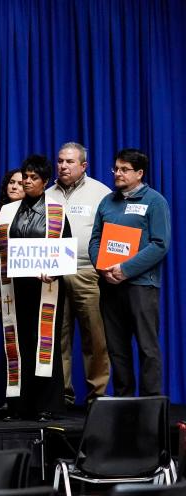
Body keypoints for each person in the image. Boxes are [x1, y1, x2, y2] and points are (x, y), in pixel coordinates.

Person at [0, 155, 71, 421]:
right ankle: (18, 405)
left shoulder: (57, 213)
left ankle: (46, 405)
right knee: (18, 345)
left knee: (44, 346)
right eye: (25, 176)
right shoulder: (9, 212)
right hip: (15, 290)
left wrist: (55, 272)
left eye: (33, 177)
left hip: (45, 289)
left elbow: (65, 252)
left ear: (45, 181)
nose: (27, 181)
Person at [89, 148, 170, 397]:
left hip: (141, 286)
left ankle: (150, 404)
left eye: (125, 169)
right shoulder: (107, 201)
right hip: (110, 286)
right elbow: (95, 240)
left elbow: (160, 244)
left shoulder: (154, 201)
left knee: (147, 348)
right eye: (116, 168)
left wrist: (125, 269)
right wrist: (102, 267)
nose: (118, 173)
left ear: (140, 173)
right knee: (116, 348)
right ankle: (124, 399)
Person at [45, 142, 112, 405]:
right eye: (60, 161)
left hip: (87, 272)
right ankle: (62, 395)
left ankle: (97, 396)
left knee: (95, 338)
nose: (63, 166)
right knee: (56, 339)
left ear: (83, 165)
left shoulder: (101, 193)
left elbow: (111, 233)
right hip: (53, 276)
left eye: (69, 162)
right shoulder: (47, 194)